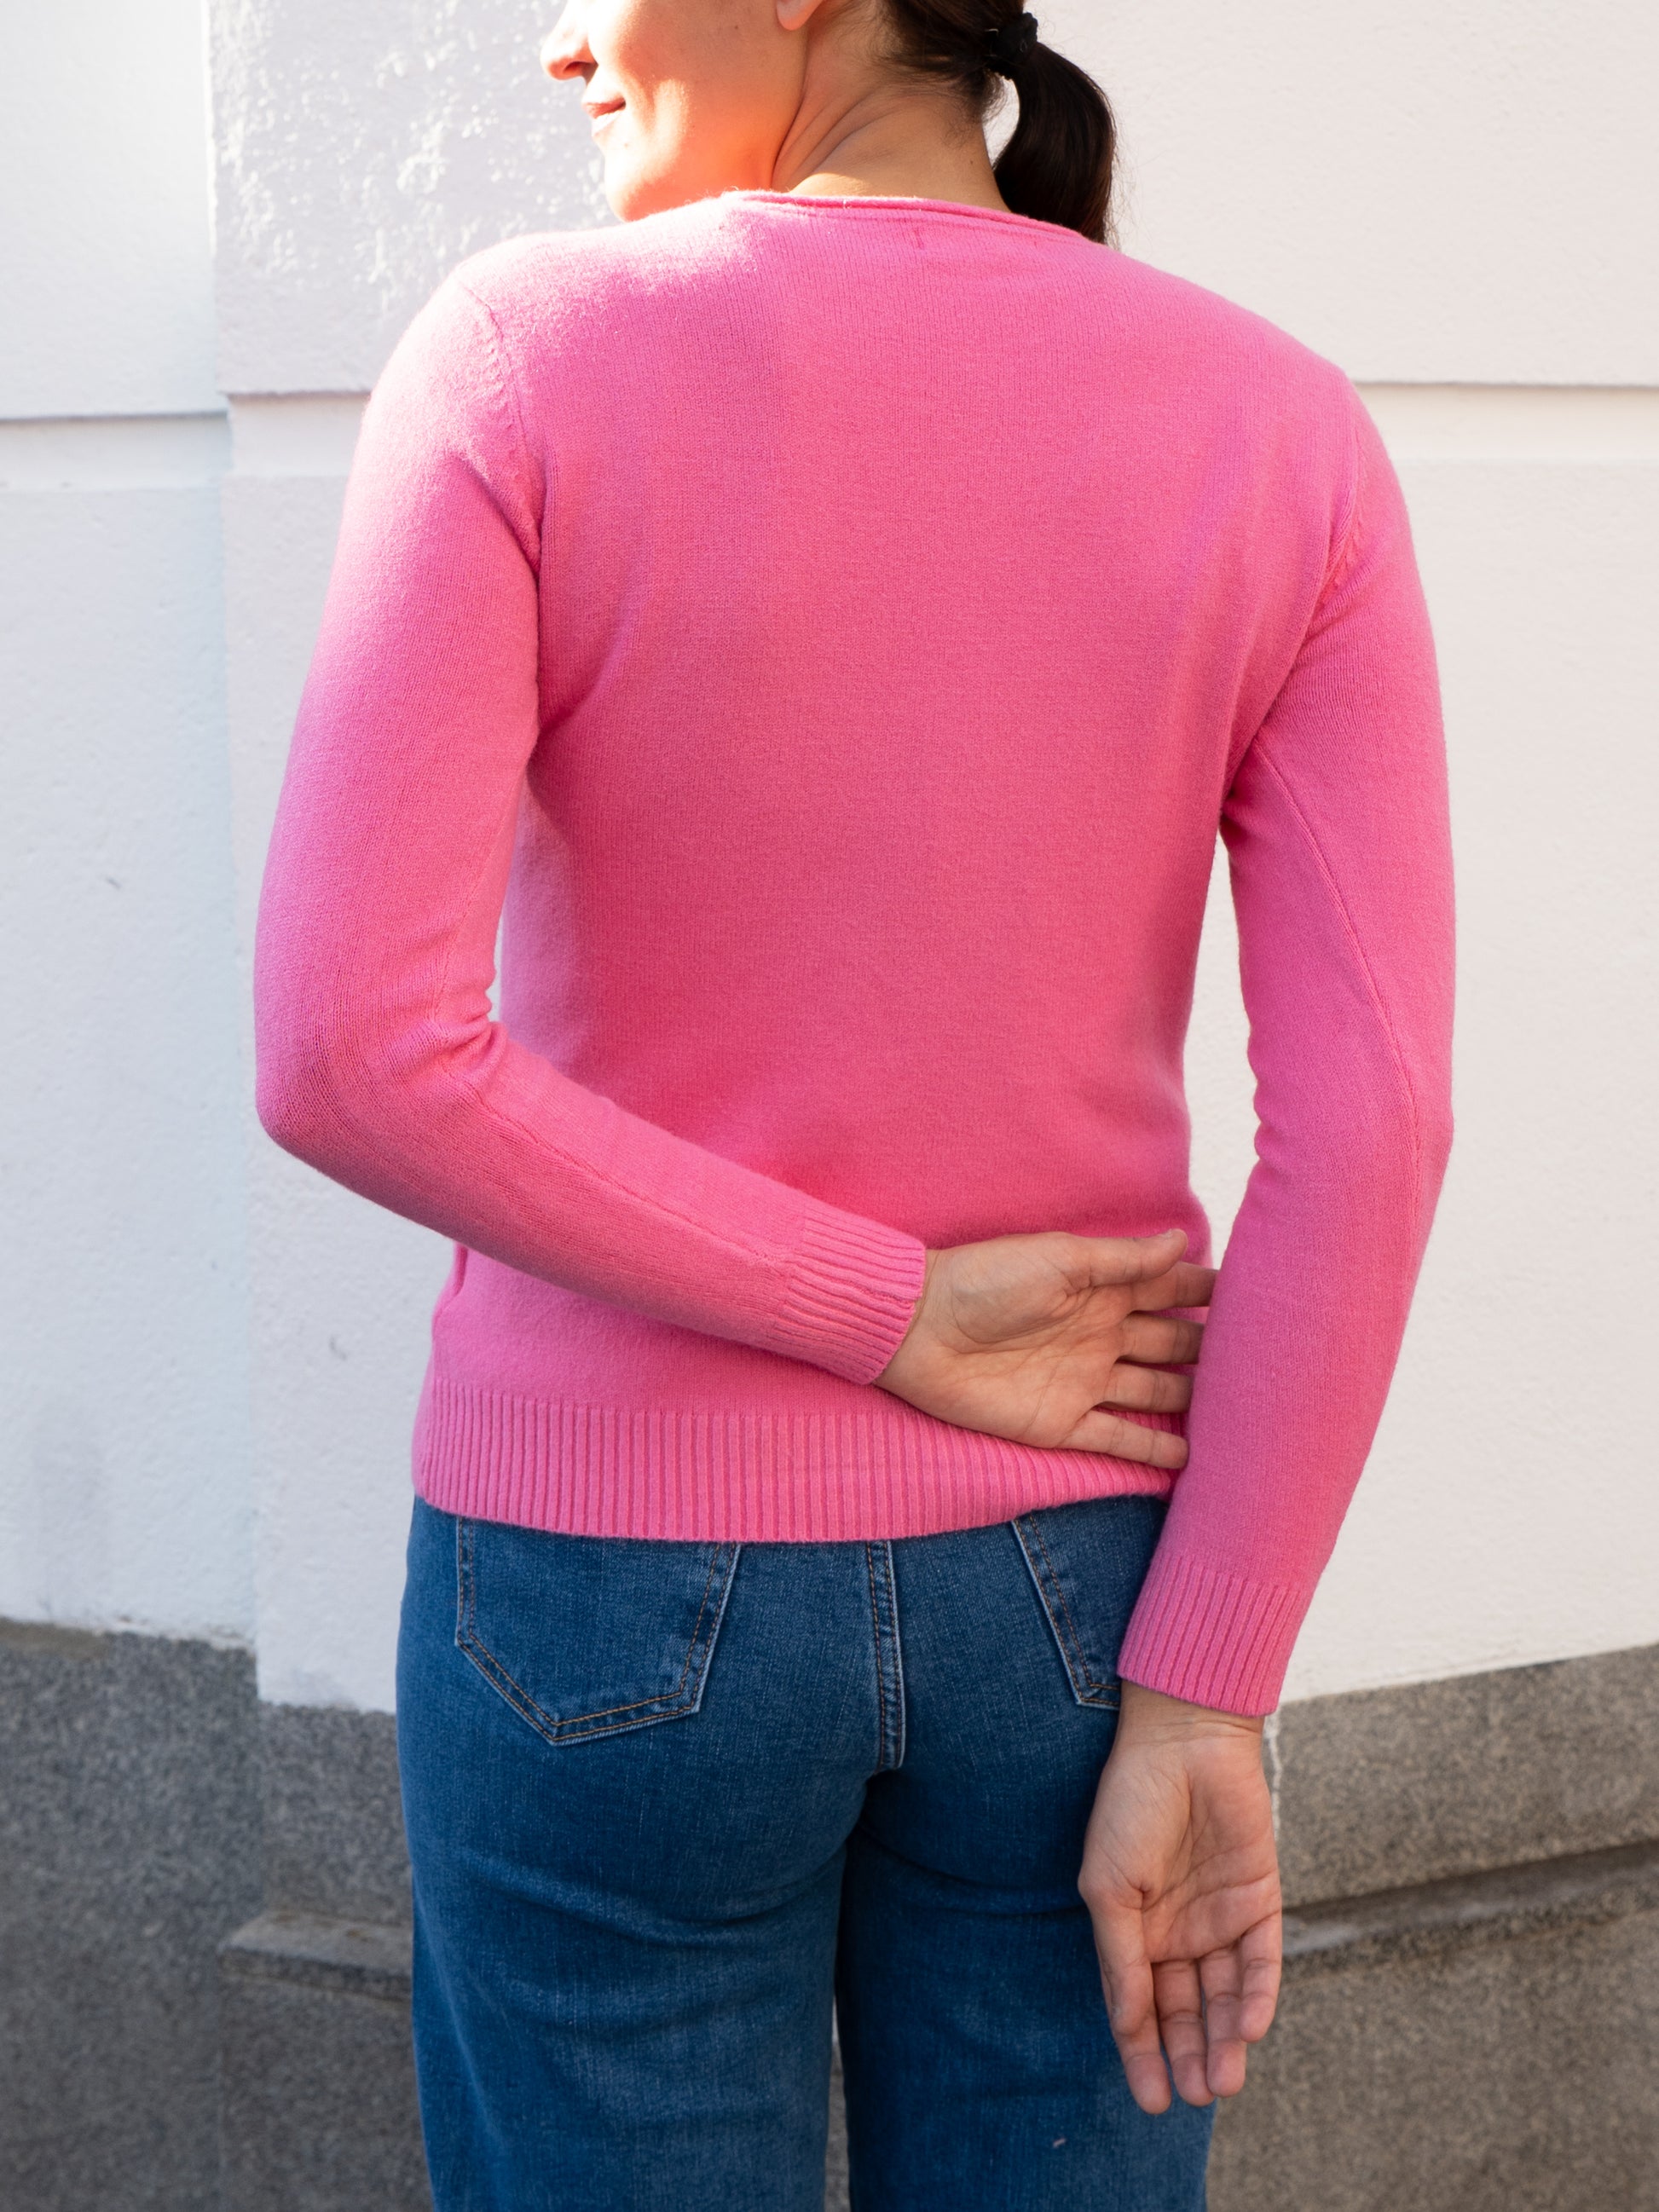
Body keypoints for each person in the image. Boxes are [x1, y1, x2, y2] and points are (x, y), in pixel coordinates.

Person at [253, 0, 1454, 2203]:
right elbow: (1367, 1135)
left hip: (599, 1593)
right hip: (1086, 1596)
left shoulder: (524, 357)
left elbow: (351, 1045)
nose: (550, 45)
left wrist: (874, 1302)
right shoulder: (1278, 429)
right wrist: (1202, 1689)